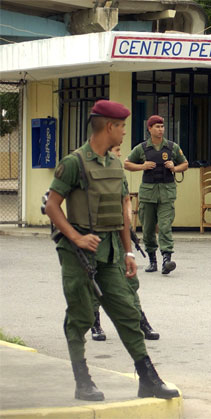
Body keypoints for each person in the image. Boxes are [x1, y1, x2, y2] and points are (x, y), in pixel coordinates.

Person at [44, 100, 179, 401]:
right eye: (121, 127)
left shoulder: (115, 164)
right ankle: (82, 380)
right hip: (78, 253)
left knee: (127, 311)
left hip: (111, 251)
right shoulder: (74, 163)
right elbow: (52, 206)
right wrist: (76, 239)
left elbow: (121, 210)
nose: (123, 134)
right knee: (80, 316)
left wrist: (129, 253)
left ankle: (148, 379)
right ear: (109, 127)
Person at [90, 144, 159, 341]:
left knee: (130, 281)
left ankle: (140, 322)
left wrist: (127, 224)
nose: (120, 154)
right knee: (94, 279)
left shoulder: (119, 174)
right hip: (97, 237)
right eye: (117, 150)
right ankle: (95, 323)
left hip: (118, 237)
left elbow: (126, 200)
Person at [125, 115, 188, 275]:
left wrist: (174, 168)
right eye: (157, 127)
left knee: (165, 226)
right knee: (147, 228)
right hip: (148, 193)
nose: (161, 129)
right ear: (150, 129)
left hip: (166, 193)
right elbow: (127, 163)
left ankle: (167, 259)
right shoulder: (142, 148)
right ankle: (152, 260)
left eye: (162, 126)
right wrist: (142, 166)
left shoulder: (172, 147)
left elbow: (185, 164)